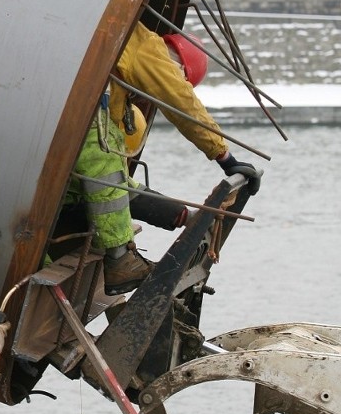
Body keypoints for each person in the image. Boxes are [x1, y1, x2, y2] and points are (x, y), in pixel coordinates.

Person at [65, 22, 260, 296]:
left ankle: (119, 258)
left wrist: (183, 215)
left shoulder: (116, 69)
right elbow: (180, 101)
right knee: (103, 146)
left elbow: (115, 189)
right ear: (177, 68)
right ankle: (120, 259)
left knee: (103, 166)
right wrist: (225, 156)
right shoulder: (145, 46)